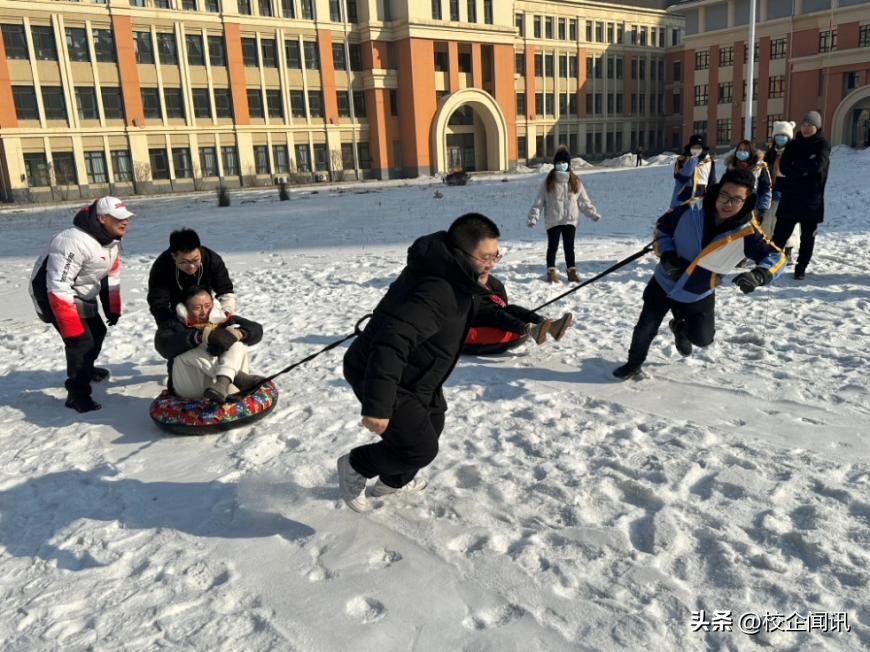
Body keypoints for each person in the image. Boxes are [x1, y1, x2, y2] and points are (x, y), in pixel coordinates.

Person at [337, 213, 498, 512]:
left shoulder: (463, 279)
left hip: (419, 373)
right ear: (462, 253)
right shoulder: (437, 289)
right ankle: (356, 464)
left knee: (431, 427)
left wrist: (528, 322)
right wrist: (379, 406)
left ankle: (392, 482)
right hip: (380, 370)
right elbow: (392, 341)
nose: (492, 263)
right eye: (486, 257)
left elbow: (480, 310)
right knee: (419, 447)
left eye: (496, 255)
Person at [613, 169, 786, 380]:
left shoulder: (748, 232)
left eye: (736, 199)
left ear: (746, 201)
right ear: (717, 191)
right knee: (645, 327)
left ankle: (680, 328)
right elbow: (662, 227)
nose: (728, 203)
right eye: (724, 195)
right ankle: (633, 363)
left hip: (698, 290)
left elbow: (777, 257)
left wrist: (759, 275)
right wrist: (667, 255)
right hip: (665, 281)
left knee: (703, 339)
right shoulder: (692, 208)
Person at [29, 197, 133, 412]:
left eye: (127, 218)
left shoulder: (112, 239)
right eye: (119, 219)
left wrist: (111, 306)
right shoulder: (72, 241)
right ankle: (76, 394)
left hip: (80, 293)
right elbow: (57, 286)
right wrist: (71, 327)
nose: (125, 223)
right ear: (102, 218)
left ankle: (87, 368)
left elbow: (110, 273)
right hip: (52, 295)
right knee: (80, 343)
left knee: (97, 332)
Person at [154, 286, 264, 402]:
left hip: (226, 388)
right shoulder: (172, 325)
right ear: (184, 309)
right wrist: (200, 337)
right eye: (197, 308)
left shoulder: (223, 318)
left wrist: (238, 334)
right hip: (191, 389)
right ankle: (237, 377)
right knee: (186, 349)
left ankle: (223, 381)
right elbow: (163, 346)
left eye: (207, 306)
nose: (204, 312)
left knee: (236, 340)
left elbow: (256, 330)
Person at [528, 146, 603, 284]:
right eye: (559, 163)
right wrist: (534, 217)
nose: (562, 165)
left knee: (570, 247)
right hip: (553, 220)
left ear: (568, 164)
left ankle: (571, 272)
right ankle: (551, 271)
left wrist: (593, 214)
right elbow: (539, 202)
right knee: (553, 247)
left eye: (564, 163)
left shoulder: (575, 181)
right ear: (555, 164)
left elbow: (583, 201)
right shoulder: (548, 181)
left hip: (570, 220)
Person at [771, 111, 831, 281]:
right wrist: (803, 169)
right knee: (779, 235)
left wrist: (797, 167)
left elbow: (818, 166)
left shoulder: (823, 144)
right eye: (803, 124)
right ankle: (771, 264)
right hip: (790, 198)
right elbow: (784, 167)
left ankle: (800, 268)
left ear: (817, 127)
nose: (805, 128)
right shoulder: (793, 144)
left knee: (807, 238)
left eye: (809, 125)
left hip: (812, 200)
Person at [147, 228, 235, 327]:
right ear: (173, 256)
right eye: (184, 262)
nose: (191, 266)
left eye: (196, 260)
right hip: (176, 313)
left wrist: (224, 316)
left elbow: (225, 291)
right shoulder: (162, 267)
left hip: (206, 310)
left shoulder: (212, 260)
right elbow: (158, 302)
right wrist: (172, 324)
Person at [467, 269, 574, 350]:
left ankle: (549, 326)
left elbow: (503, 302)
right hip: (474, 317)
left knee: (512, 309)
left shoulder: (492, 283)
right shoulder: (464, 281)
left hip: (494, 311)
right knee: (495, 314)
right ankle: (529, 329)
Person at [762, 120, 797, 246]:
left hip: (787, 192)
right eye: (778, 136)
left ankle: (787, 247)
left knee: (785, 221)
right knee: (768, 220)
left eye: (784, 136)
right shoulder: (769, 154)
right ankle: (767, 243)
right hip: (771, 190)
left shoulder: (794, 153)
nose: (781, 138)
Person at [670, 134, 716, 208]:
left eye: (698, 147)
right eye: (694, 147)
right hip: (683, 198)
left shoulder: (709, 160)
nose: (696, 149)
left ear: (702, 148)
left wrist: (711, 196)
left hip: (701, 198)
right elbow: (679, 177)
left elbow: (712, 181)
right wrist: (691, 163)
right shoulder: (682, 159)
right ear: (690, 147)